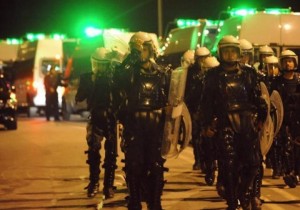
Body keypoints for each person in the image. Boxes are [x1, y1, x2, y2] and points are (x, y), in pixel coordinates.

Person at [201, 35, 268, 210]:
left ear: (238, 52)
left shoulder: (249, 72)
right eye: (226, 51)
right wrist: (206, 124)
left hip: (246, 123)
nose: (230, 55)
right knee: (229, 164)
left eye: (233, 51)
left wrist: (261, 117)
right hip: (224, 123)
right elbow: (206, 103)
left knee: (253, 164)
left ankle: (242, 193)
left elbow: (257, 97)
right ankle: (232, 203)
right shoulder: (212, 75)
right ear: (220, 52)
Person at [114, 31, 170, 210]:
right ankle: (135, 200)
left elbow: (171, 99)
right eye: (138, 50)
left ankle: (155, 202)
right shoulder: (127, 72)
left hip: (155, 125)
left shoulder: (161, 73)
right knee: (134, 165)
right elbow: (118, 81)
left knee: (155, 166)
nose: (142, 53)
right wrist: (132, 57)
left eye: (144, 49)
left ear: (151, 50)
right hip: (135, 124)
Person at [75, 47, 124, 198]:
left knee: (111, 153)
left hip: (111, 117)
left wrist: (121, 57)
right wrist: (91, 85)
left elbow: (124, 86)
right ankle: (94, 182)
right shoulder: (87, 78)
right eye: (98, 64)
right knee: (93, 150)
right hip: (95, 116)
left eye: (103, 64)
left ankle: (108, 185)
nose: (100, 67)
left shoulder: (115, 77)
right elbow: (79, 97)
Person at [276, 49, 300, 188]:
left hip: (297, 119)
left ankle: (296, 172)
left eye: (290, 61)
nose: (288, 64)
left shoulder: (299, 81)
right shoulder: (276, 82)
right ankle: (287, 172)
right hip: (283, 119)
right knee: (285, 146)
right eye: (285, 61)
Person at [185, 46, 210, 171]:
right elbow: (187, 90)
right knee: (196, 135)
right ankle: (198, 160)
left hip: (207, 107)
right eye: (201, 58)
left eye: (205, 58)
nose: (203, 60)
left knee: (208, 135)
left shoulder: (212, 70)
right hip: (195, 107)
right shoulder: (191, 72)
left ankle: (208, 160)